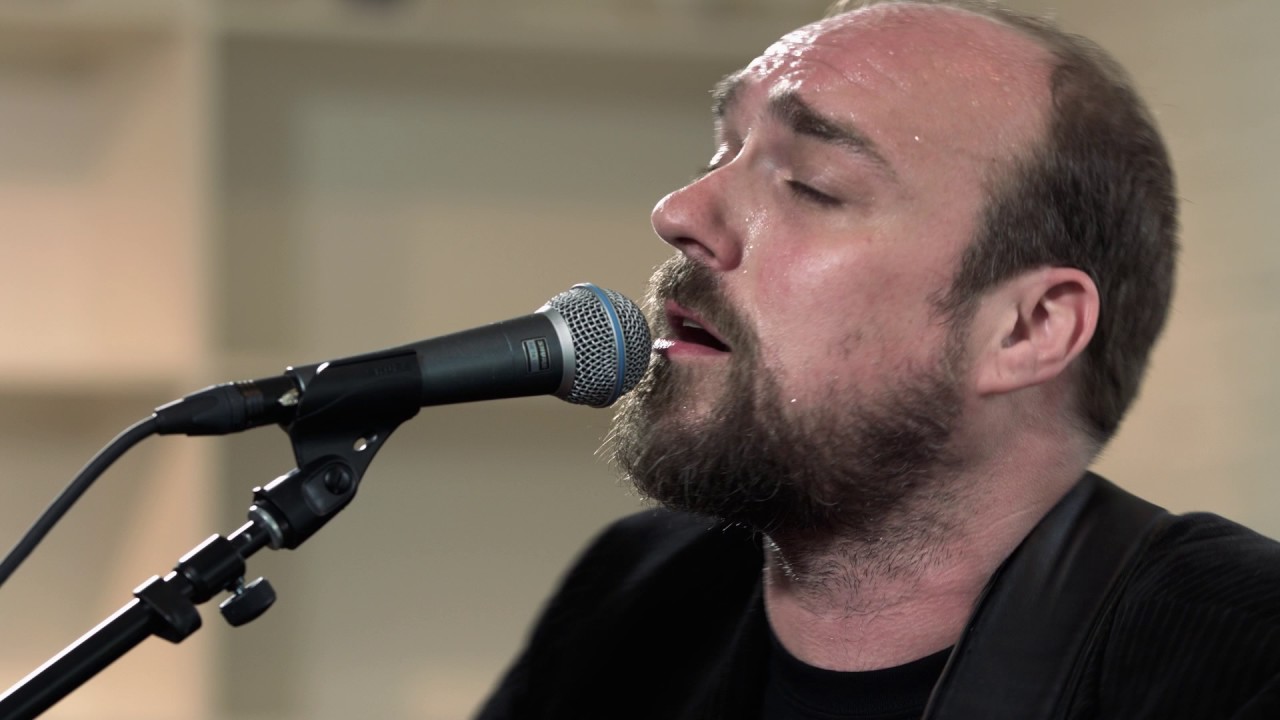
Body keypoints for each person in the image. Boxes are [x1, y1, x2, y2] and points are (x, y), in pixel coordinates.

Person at [476, 1, 1280, 718]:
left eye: (811, 183)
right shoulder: (631, 596)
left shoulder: (1242, 659)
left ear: (1028, 329)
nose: (679, 211)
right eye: (718, 156)